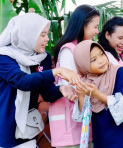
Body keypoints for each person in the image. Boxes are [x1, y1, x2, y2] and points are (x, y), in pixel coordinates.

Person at [0, 13, 79, 148]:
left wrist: (61, 89)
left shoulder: (43, 58)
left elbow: (47, 92)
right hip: (6, 130)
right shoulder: (4, 57)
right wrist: (56, 71)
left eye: (47, 34)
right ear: (27, 35)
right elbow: (22, 81)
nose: (47, 39)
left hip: (28, 129)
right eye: (42, 35)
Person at [73, 40, 123, 148]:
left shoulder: (120, 73)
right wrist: (81, 95)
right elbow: (83, 118)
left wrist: (96, 94)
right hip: (103, 142)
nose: (101, 61)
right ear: (83, 65)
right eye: (94, 60)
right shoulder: (86, 81)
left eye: (102, 54)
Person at [49, 4, 99, 148]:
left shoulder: (83, 48)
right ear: (83, 24)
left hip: (83, 121)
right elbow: (71, 85)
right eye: (95, 27)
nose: (97, 31)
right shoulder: (68, 50)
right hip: (69, 126)